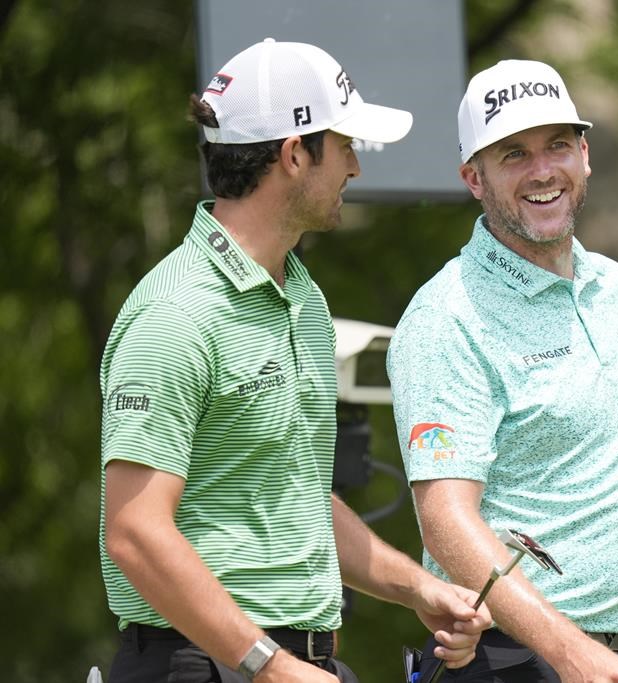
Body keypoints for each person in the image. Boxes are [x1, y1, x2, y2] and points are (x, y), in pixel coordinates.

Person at [99, 38, 490, 683]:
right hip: (202, 666)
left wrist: (419, 589)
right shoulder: (175, 312)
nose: (356, 169)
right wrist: (268, 666)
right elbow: (135, 532)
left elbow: (304, 500)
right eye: (346, 147)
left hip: (290, 662)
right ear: (293, 155)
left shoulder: (303, 299)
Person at [386, 59, 618, 683]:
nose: (542, 170)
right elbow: (446, 518)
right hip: (518, 661)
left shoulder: (615, 286)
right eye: (513, 155)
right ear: (473, 178)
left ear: (585, 155)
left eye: (557, 145)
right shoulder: (448, 315)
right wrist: (570, 651)